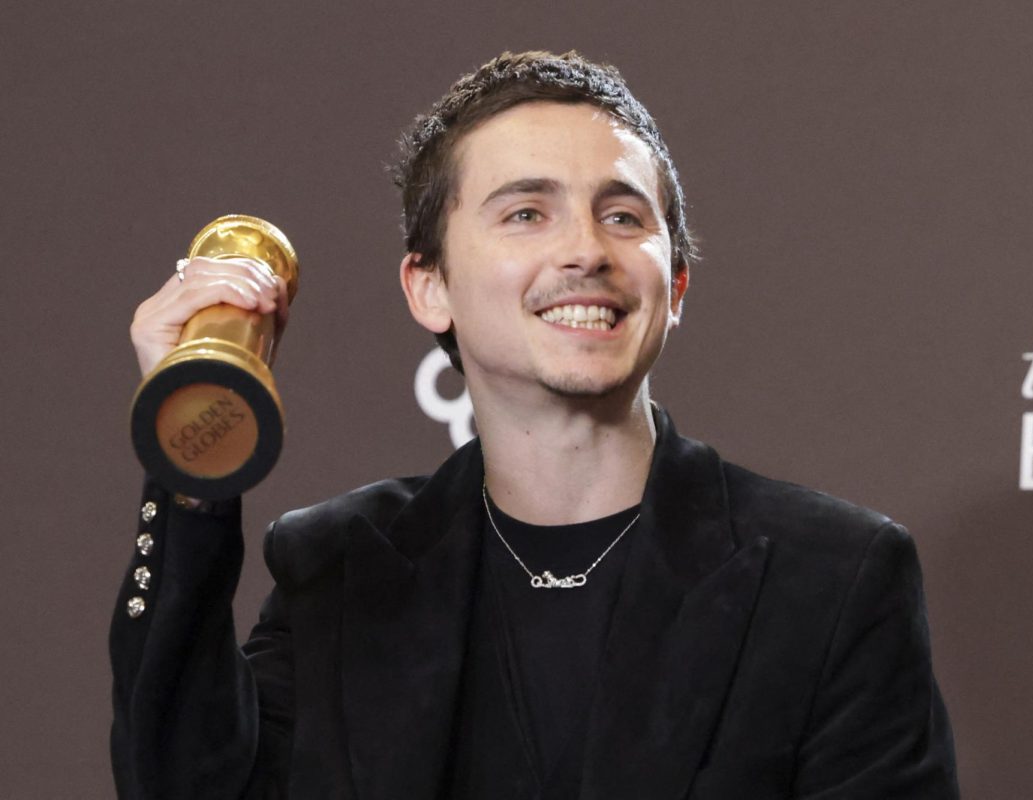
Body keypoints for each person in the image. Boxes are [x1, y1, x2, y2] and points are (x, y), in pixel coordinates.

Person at [111, 50, 958, 798]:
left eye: (624, 215)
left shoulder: (833, 578)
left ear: (678, 283)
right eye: (527, 213)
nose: (586, 250)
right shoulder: (337, 569)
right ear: (427, 285)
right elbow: (184, 781)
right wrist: (192, 455)